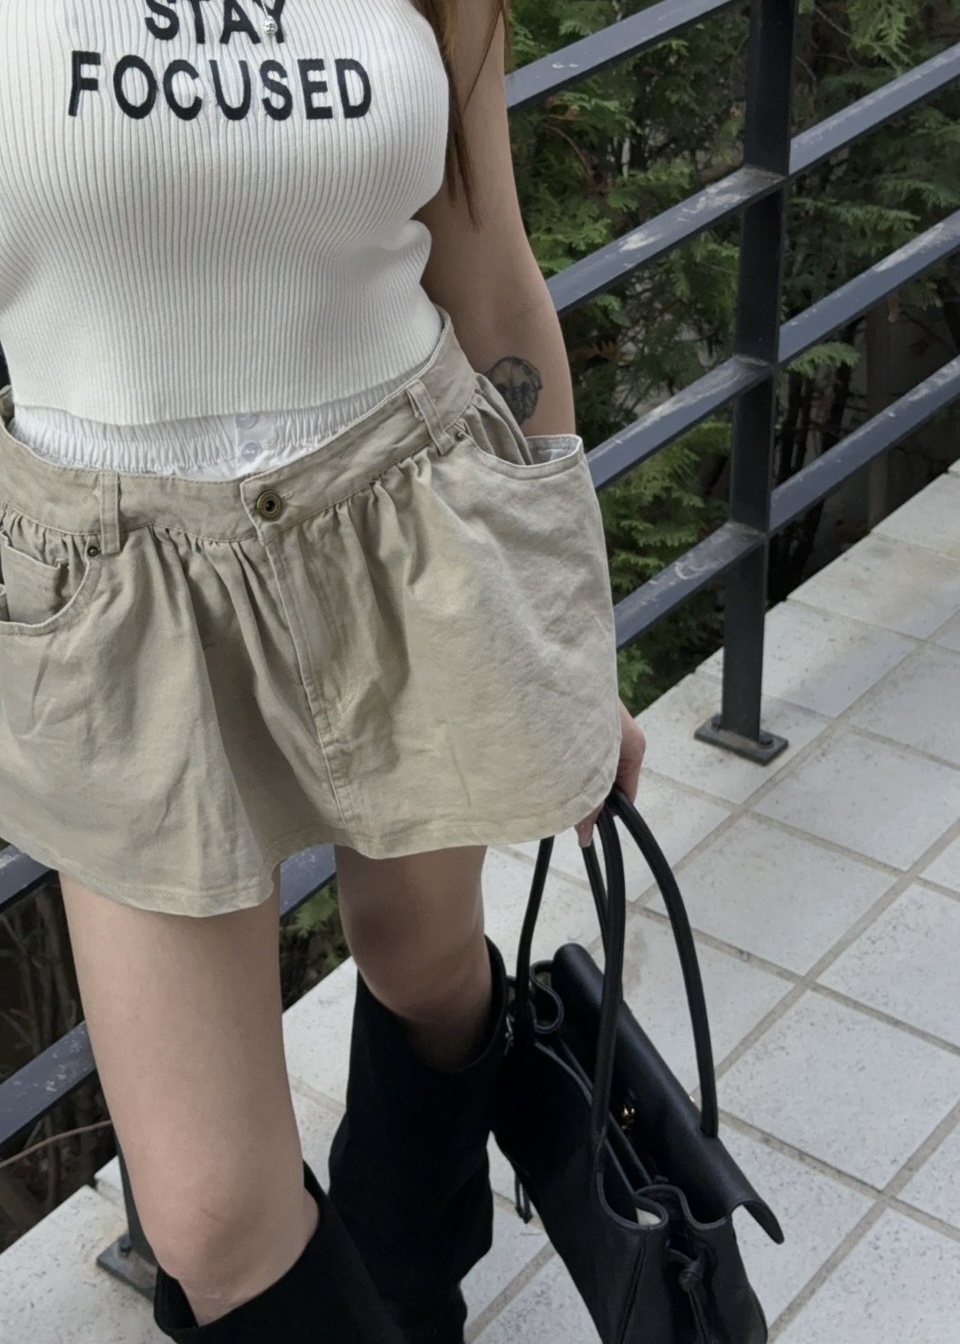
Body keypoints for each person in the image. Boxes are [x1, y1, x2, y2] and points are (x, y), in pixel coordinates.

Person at [0, 1, 646, 1340]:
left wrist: (570, 647)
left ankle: (411, 1279)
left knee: (425, 961)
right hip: (115, 581)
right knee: (210, 1216)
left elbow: (489, 266)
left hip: (410, 518)